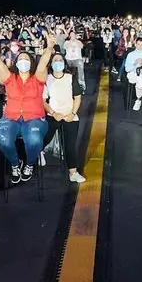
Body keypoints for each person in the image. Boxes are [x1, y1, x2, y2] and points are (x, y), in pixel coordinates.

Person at [0, 39, 52, 183]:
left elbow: (43, 63)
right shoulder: (10, 78)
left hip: (34, 118)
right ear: (16, 62)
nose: (23, 60)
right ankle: (15, 164)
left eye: (26, 58)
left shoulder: (37, 78)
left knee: (33, 141)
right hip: (11, 117)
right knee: (3, 138)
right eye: (20, 58)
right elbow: (0, 65)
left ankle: (29, 164)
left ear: (32, 63)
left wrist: (49, 47)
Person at [43, 52, 86, 184]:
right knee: (44, 138)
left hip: (69, 116)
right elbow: (43, 100)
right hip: (53, 115)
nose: (58, 63)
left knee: (69, 145)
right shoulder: (47, 79)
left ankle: (73, 172)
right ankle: (35, 156)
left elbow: (77, 97)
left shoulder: (70, 77)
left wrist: (72, 114)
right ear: (51, 63)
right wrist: (53, 113)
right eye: (55, 60)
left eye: (60, 60)